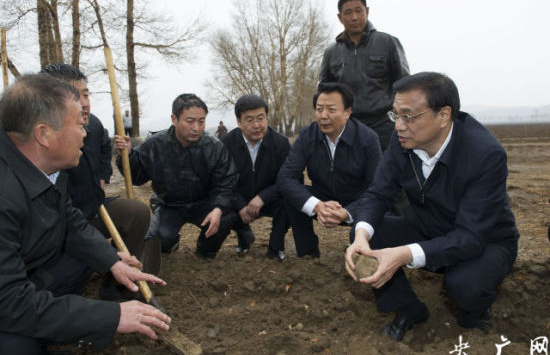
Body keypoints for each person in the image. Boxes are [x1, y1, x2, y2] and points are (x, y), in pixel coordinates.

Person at [0, 74, 170, 355]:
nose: (86, 133)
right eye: (79, 124)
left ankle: (42, 340)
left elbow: (71, 221)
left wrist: (112, 262)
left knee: (80, 264)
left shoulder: (50, 168)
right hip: (8, 293)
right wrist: (110, 315)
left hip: (23, 270)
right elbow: (10, 301)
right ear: (44, 134)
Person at [345, 72, 519, 341]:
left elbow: (471, 236)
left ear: (443, 115)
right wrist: (361, 235)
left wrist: (404, 254)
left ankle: (474, 312)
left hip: (485, 240)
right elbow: (378, 194)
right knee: (367, 235)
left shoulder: (485, 154)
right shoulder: (401, 142)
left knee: (465, 286)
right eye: (395, 116)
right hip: (427, 227)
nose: (399, 126)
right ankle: (408, 309)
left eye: (408, 116)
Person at [41, 64, 156, 286]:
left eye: (85, 94)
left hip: (91, 205)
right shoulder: (39, 143)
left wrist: (102, 177)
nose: (84, 103)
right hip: (58, 224)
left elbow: (105, 147)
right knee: (70, 269)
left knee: (136, 212)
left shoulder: (92, 124)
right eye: (75, 96)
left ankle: (116, 284)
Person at [114, 93, 238, 258]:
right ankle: (170, 242)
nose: (196, 128)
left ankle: (205, 250)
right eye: (190, 121)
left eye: (201, 122)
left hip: (204, 202)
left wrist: (218, 208)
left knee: (225, 218)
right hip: (169, 204)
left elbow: (227, 181)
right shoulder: (155, 144)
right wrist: (127, 156)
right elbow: (136, 177)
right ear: (174, 119)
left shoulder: (214, 146)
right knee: (160, 238)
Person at [277, 82, 382, 258]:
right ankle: (308, 252)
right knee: (292, 196)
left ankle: (366, 250)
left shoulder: (368, 138)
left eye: (331, 110)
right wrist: (317, 206)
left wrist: (346, 212)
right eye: (319, 109)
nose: (323, 116)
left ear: (347, 112)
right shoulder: (307, 135)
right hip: (322, 198)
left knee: (381, 206)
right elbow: (285, 177)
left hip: (356, 200)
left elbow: (376, 187)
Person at [319, 0, 409, 151]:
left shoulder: (388, 43)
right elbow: (324, 92)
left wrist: (396, 119)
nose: (354, 17)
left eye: (358, 10)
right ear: (340, 17)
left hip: (384, 125)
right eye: (348, 12)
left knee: (385, 173)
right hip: (347, 126)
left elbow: (405, 86)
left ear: (366, 11)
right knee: (349, 173)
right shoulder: (332, 52)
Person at [221, 94, 291, 261]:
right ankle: (243, 235)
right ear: (239, 122)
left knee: (290, 202)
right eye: (250, 120)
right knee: (219, 204)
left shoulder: (281, 144)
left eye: (261, 118)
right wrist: (240, 205)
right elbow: (223, 181)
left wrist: (262, 197)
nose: (257, 125)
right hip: (240, 198)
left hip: (270, 198)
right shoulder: (225, 144)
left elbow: (287, 179)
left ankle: (276, 247)